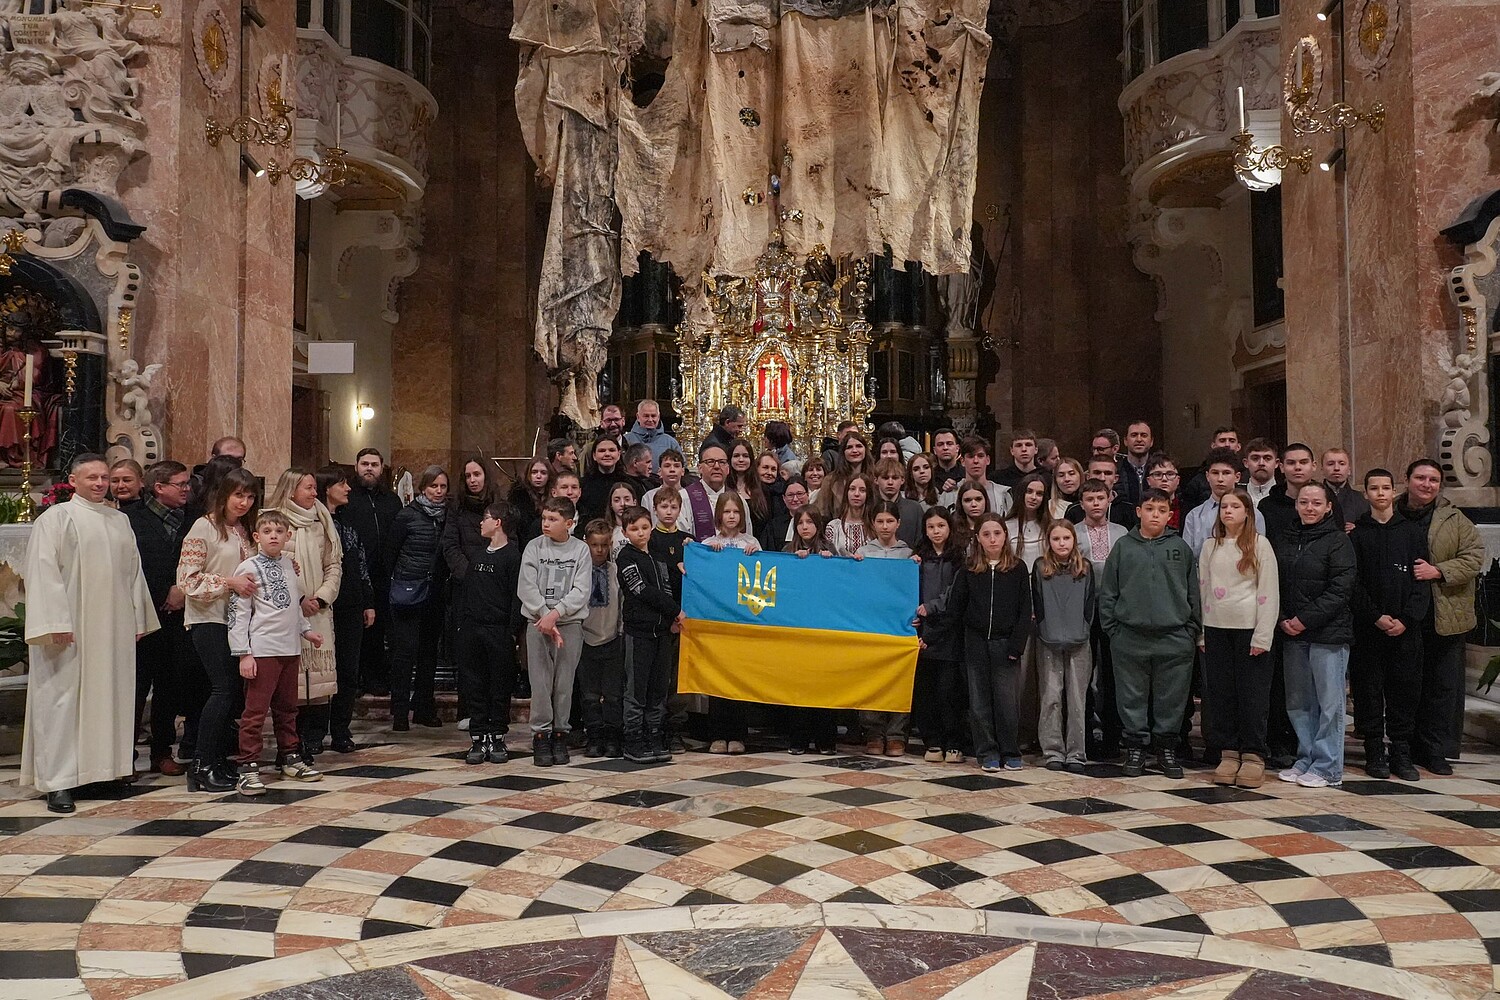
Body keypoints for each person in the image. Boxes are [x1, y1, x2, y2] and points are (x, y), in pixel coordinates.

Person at [21, 454, 160, 813]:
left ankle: (101, 774)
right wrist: (54, 623)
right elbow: (42, 572)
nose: (100, 484)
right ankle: (58, 781)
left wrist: (137, 619)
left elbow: (133, 573)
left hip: (113, 627)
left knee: (109, 697)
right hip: (70, 629)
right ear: (73, 480)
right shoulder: (56, 518)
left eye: (104, 478)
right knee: (62, 702)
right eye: (92, 478)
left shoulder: (119, 520)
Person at [1099, 488, 1199, 780]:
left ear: (1170, 515)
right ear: (1139, 512)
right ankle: (1136, 748)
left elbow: (1193, 592)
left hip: (1174, 637)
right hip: (1130, 637)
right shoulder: (1123, 547)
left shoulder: (1180, 548)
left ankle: (1166, 749)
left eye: (1162, 510)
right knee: (1131, 696)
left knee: (1172, 698)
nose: (1155, 515)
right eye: (1150, 509)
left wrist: (1191, 629)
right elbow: (1109, 592)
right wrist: (1114, 630)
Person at [227, 510, 325, 796]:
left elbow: (293, 605)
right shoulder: (248, 568)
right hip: (262, 650)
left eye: (279, 532)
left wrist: (306, 631)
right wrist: (244, 653)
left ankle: (290, 757)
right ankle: (247, 767)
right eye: (267, 532)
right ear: (257, 536)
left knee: (287, 708)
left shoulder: (289, 565)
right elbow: (239, 612)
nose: (273, 536)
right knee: (255, 712)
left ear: (287, 536)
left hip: (289, 649)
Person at [1399, 458, 1484, 773]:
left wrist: (1438, 571)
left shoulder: (1455, 519)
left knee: (1441, 686)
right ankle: (1403, 747)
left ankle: (1434, 750)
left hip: (1443, 614)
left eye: (1433, 480)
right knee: (1405, 685)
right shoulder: (1390, 514)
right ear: (1407, 479)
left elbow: (1474, 558)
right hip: (1402, 614)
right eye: (1420, 478)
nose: (1426, 484)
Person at [177, 466, 259, 793]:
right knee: (222, 689)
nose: (244, 502)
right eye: (238, 495)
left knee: (233, 693)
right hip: (208, 617)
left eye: (250, 497)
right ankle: (201, 765)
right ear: (224, 494)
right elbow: (187, 580)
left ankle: (219, 759)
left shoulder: (244, 530)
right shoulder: (204, 527)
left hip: (239, 621)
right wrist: (229, 583)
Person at [1274, 482, 1357, 788]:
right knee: (1299, 702)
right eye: (1304, 502)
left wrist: (1304, 620)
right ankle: (1306, 757)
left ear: (1328, 508)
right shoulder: (1286, 538)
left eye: (1316, 503)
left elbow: (1341, 589)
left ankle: (1328, 766)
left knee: (1329, 703)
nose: (1309, 508)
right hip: (1291, 631)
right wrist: (1283, 618)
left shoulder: (1338, 541)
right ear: (1296, 505)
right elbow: (1274, 582)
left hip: (1327, 633)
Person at [1350, 469, 1429, 782]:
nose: (1380, 493)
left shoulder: (1411, 532)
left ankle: (1401, 751)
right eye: (1374, 488)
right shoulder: (1357, 534)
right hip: (1369, 629)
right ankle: (1373, 751)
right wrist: (1375, 617)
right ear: (1366, 494)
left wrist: (1406, 619)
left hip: (1405, 629)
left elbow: (1421, 579)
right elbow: (1353, 584)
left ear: (1394, 491)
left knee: (1404, 692)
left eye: (1386, 488)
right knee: (1369, 691)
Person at [937, 514, 1032, 772]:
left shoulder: (1017, 568)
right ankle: (987, 752)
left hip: (1006, 644)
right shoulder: (969, 569)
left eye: (997, 533)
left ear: (1005, 536)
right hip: (976, 644)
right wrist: (932, 636)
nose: (992, 539)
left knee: (1006, 703)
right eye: (986, 534)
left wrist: (1017, 645)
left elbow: (1025, 610)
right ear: (978, 538)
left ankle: (1010, 751)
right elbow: (955, 609)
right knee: (979, 702)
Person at [1198, 488, 1279, 789]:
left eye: (1234, 506)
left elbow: (1268, 591)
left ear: (1247, 513)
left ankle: (1254, 754)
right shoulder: (1210, 546)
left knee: (1252, 695)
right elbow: (1203, 588)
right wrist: (1201, 632)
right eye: (1224, 507)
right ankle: (1229, 751)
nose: (1228, 511)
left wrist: (1263, 635)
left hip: (1249, 630)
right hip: (1216, 628)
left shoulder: (1260, 544)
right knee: (1222, 694)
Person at [124, 461, 194, 776]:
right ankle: (124, 756)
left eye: (187, 483)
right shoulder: (130, 518)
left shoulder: (192, 518)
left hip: (179, 616)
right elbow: (129, 567)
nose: (187, 489)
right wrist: (162, 592)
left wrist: (181, 589)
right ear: (159, 487)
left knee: (169, 687)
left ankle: (162, 752)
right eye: (180, 484)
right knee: (136, 688)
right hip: (142, 615)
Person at [267, 469, 343, 745]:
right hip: (287, 611)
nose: (314, 493)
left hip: (318, 609)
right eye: (308, 488)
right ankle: (292, 739)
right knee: (292, 679)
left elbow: (333, 564)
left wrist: (321, 597)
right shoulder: (274, 523)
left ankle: (314, 735)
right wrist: (299, 599)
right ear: (291, 491)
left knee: (320, 676)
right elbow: (272, 566)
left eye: (314, 488)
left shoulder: (321, 521)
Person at [519, 496, 592, 766]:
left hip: (569, 624)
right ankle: (541, 735)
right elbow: (526, 586)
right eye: (544, 518)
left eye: (553, 519)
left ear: (569, 523)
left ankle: (560, 733)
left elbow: (581, 590)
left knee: (563, 683)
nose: (546, 524)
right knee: (540, 683)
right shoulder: (534, 547)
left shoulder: (581, 550)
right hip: (538, 624)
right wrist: (544, 615)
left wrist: (556, 613)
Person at [309, 465, 374, 755]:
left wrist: (368, 600)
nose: (348, 488)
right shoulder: (313, 523)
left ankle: (340, 730)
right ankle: (313, 732)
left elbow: (360, 563)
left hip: (350, 603)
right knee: (321, 669)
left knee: (348, 670)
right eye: (342, 484)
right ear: (327, 488)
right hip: (321, 604)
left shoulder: (349, 520)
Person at [455, 502, 523, 765]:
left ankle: (497, 735)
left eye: (485, 518)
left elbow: (516, 597)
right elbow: (467, 593)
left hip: (499, 630)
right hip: (472, 629)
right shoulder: (477, 556)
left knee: (499, 685)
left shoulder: (513, 557)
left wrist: (512, 632)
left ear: (498, 522)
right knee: (475, 684)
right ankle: (478, 736)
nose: (481, 523)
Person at [386, 465, 449, 731]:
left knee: (428, 653)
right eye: (433, 486)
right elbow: (390, 554)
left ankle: (424, 707)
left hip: (435, 592)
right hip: (408, 591)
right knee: (404, 653)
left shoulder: (448, 517)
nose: (438, 491)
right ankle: (400, 712)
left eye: (443, 486)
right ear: (423, 488)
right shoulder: (407, 516)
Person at [618, 505, 683, 763]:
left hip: (662, 632)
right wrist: (675, 610)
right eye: (634, 529)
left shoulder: (658, 556)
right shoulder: (626, 557)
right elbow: (641, 590)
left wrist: (671, 620)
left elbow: (667, 587)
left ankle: (654, 734)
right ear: (625, 532)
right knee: (637, 688)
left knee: (659, 687)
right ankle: (633, 738)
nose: (641, 533)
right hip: (639, 633)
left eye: (645, 527)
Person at [1033, 521, 1095, 773]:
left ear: (1074, 540)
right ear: (1049, 541)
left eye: (1066, 538)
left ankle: (1076, 752)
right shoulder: (1041, 567)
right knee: (1051, 697)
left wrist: (1084, 628)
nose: (1061, 543)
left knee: (1077, 698)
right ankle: (1053, 751)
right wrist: (1043, 628)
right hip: (1048, 640)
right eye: (1056, 539)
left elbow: (1090, 603)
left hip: (1079, 640)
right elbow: (1037, 601)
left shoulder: (1085, 568)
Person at [1074, 479, 1127, 761]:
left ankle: (1112, 736)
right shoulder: (1072, 533)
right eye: (1090, 499)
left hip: (1114, 611)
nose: (1096, 504)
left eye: (1100, 498)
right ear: (1081, 503)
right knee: (1083, 673)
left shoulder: (1121, 533)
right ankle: (1083, 735)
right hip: (1082, 611)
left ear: (1110, 499)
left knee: (1113, 673)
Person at [856, 501, 915, 756]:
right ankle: (873, 733)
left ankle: (896, 734)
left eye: (890, 521)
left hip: (898, 625)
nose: (885, 526)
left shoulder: (908, 553)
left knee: (898, 679)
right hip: (872, 624)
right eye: (880, 521)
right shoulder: (864, 552)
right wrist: (855, 565)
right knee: (871, 679)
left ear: (898, 523)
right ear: (873, 523)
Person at [704, 493, 761, 754]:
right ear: (719, 514)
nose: (731, 516)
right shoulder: (709, 543)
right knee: (717, 678)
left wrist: (756, 556)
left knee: (739, 678)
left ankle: (738, 734)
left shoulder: (751, 543)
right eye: (726, 511)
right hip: (717, 622)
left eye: (736, 512)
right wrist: (705, 554)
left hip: (742, 622)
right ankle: (717, 734)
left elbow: (761, 577)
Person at [345, 448, 402, 697]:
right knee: (356, 629)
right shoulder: (347, 498)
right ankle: (354, 679)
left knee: (378, 629)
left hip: (385, 574)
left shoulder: (392, 501)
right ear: (356, 467)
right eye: (365, 464)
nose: (369, 468)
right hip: (354, 574)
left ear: (382, 468)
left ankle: (375, 678)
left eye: (374, 464)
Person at [913, 507, 964, 764]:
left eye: (941, 526)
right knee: (926, 692)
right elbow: (908, 590)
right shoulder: (918, 559)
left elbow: (956, 593)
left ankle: (953, 742)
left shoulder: (959, 559)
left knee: (949, 692)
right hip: (922, 631)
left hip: (949, 631)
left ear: (949, 528)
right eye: (931, 527)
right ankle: (932, 741)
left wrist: (932, 607)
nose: (936, 531)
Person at [786, 508, 839, 755]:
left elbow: (844, 579)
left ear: (818, 525)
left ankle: (825, 739)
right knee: (798, 684)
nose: (805, 526)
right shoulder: (787, 552)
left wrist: (830, 562)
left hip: (824, 628)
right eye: (800, 522)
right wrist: (795, 563)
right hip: (796, 628)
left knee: (824, 684)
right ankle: (798, 738)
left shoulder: (830, 550)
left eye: (809, 522)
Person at [649, 487, 694, 755]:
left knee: (678, 676)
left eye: (673, 507)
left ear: (680, 509)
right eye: (664, 507)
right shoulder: (650, 538)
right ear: (655, 509)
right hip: (659, 618)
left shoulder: (688, 541)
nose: (668, 512)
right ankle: (654, 727)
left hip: (683, 616)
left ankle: (675, 729)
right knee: (658, 675)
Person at [577, 519, 625, 758]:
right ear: (586, 543)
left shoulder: (615, 572)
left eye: (604, 545)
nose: (599, 550)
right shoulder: (579, 572)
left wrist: (620, 630)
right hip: (585, 639)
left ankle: (613, 736)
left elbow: (622, 603)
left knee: (613, 694)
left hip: (612, 638)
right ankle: (594, 735)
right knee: (590, 694)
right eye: (594, 545)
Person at [1182, 447, 1266, 557]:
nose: (1220, 479)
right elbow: (1187, 558)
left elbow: (1259, 554)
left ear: (1237, 477)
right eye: (1215, 473)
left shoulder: (1253, 514)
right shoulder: (1194, 516)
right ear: (1207, 476)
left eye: (1226, 473)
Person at [1259, 443, 1320, 545]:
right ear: (1282, 467)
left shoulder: (1327, 501)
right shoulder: (1267, 506)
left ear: (1313, 466)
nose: (1297, 467)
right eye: (1291, 463)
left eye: (1303, 462)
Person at [936, 437, 1011, 515]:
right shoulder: (949, 494)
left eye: (980, 456)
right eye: (971, 456)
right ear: (962, 461)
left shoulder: (1003, 494)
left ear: (988, 460)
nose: (976, 461)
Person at [1179, 426, 1242, 515]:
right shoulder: (1197, 482)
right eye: (1222, 440)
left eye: (1231, 441)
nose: (1227, 445)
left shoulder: (1247, 476)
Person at [1065, 456, 1136, 529]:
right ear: (1088, 477)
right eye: (1097, 473)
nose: (1102, 478)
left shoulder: (1129, 509)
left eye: (1108, 473)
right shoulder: (1074, 510)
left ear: (1115, 478)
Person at [683, 443, 734, 541]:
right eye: (710, 462)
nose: (717, 466)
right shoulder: (685, 497)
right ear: (700, 468)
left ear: (728, 469)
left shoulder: (738, 500)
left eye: (722, 462)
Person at [873, 458, 923, 549]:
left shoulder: (914, 509)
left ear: (902, 480)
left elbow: (921, 540)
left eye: (895, 478)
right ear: (876, 480)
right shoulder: (868, 507)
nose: (890, 482)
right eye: (885, 478)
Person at [1004, 473, 1050, 569]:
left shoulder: (1050, 525)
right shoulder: (1006, 526)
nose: (1034, 497)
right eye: (1029, 492)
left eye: (1039, 494)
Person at [623, 399, 682, 471]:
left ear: (658, 417)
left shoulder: (670, 442)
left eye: (653, 416)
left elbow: (681, 467)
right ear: (638, 417)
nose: (650, 420)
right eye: (646, 416)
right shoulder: (626, 440)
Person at [825, 473, 873, 556]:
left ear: (868, 494)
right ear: (846, 493)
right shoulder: (833, 527)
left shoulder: (874, 527)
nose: (856, 494)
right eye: (852, 489)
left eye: (862, 490)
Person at [579, 436, 624, 524]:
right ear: (594, 456)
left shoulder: (630, 484)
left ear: (619, 454)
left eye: (612, 450)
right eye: (602, 451)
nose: (607, 454)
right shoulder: (582, 485)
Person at [509, 457, 552, 547]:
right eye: (534, 472)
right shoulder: (518, 496)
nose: (538, 476)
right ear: (528, 474)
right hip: (525, 543)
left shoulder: (554, 494)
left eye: (543, 473)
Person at [1323, 448, 1369, 530]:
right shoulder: (1312, 497)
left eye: (1342, 464)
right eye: (1330, 464)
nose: (1336, 468)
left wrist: (1358, 529)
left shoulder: (1361, 499)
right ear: (1322, 469)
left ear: (1349, 470)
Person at [754, 452, 790, 551]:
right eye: (765, 467)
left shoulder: (784, 491)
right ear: (756, 469)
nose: (769, 472)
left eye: (773, 469)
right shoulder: (749, 491)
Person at [1116, 421, 1154, 506]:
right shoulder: (1115, 471)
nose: (1139, 439)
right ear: (1125, 441)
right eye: (1134, 435)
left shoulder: (1160, 471)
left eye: (1144, 435)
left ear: (1151, 441)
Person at [1243, 438, 1279, 509]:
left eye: (1267, 458)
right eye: (1255, 458)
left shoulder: (1285, 495)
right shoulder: (1235, 496)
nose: (1261, 463)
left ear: (1276, 463)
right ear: (1246, 463)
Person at [1049, 458, 1084, 522]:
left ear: (1080, 476)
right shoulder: (1049, 507)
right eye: (1061, 475)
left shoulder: (1090, 503)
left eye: (1071, 474)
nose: (1067, 479)